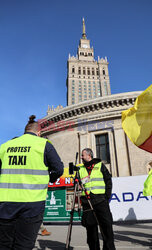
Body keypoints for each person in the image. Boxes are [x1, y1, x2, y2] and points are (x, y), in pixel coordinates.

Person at [0, 115, 64, 250]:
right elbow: (58, 169)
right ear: (39, 133)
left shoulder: (5, 146)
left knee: (4, 245)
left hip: (5, 204)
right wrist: (48, 179)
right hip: (32, 204)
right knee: (24, 245)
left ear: (25, 131)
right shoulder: (43, 144)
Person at [79, 148, 115, 250]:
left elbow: (108, 180)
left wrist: (107, 196)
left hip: (100, 201)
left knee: (106, 227)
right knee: (90, 229)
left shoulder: (100, 166)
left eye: (83, 155)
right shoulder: (80, 169)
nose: (81, 157)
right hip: (87, 202)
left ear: (89, 156)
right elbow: (77, 184)